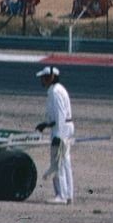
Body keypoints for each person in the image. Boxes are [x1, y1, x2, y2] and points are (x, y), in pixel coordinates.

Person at [34, 66, 74, 205]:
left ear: (51, 77)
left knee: (58, 162)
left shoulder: (55, 91)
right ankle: (68, 194)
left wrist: (59, 136)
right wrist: (46, 124)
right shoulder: (58, 89)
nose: (42, 80)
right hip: (63, 126)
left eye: (44, 78)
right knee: (65, 162)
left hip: (61, 129)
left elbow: (60, 114)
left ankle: (61, 195)